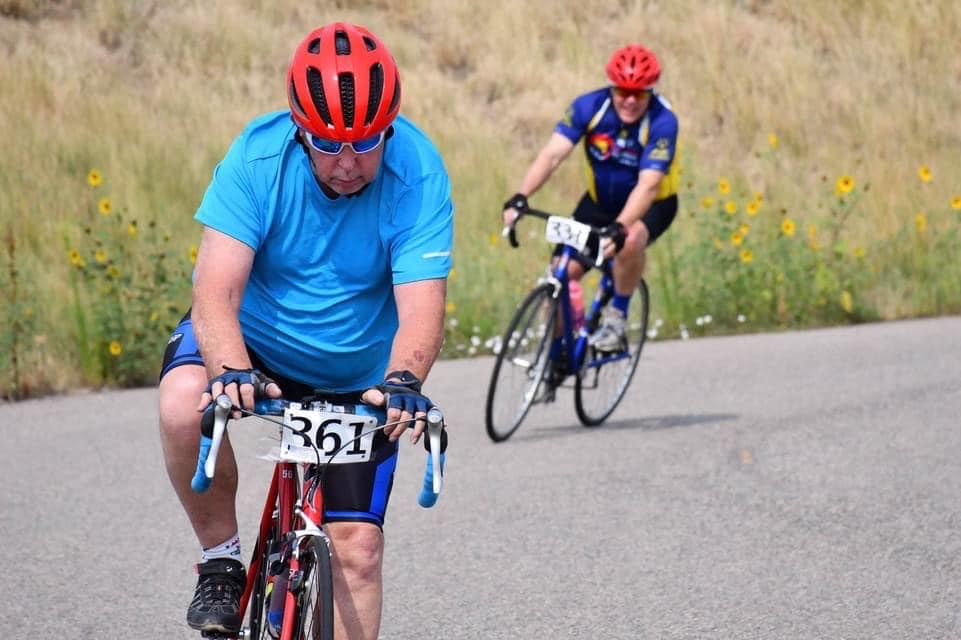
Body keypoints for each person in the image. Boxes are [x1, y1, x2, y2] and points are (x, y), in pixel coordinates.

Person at [158, 22, 453, 639]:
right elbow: (216, 291)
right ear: (299, 130)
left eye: (366, 141)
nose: (347, 162)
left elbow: (423, 307)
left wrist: (404, 380)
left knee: (358, 553)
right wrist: (230, 370)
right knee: (184, 403)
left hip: (358, 375)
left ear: (389, 127)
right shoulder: (258, 157)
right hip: (254, 347)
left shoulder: (418, 171)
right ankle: (220, 558)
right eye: (326, 143)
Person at [503, 43, 679, 353]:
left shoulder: (663, 122)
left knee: (631, 239)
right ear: (611, 86)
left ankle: (617, 317)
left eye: (637, 93)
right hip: (599, 203)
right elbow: (553, 154)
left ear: (650, 92)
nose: (628, 100)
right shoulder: (590, 106)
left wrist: (621, 226)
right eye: (622, 91)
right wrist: (521, 196)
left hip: (653, 204)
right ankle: (556, 352)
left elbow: (648, 185)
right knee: (560, 271)